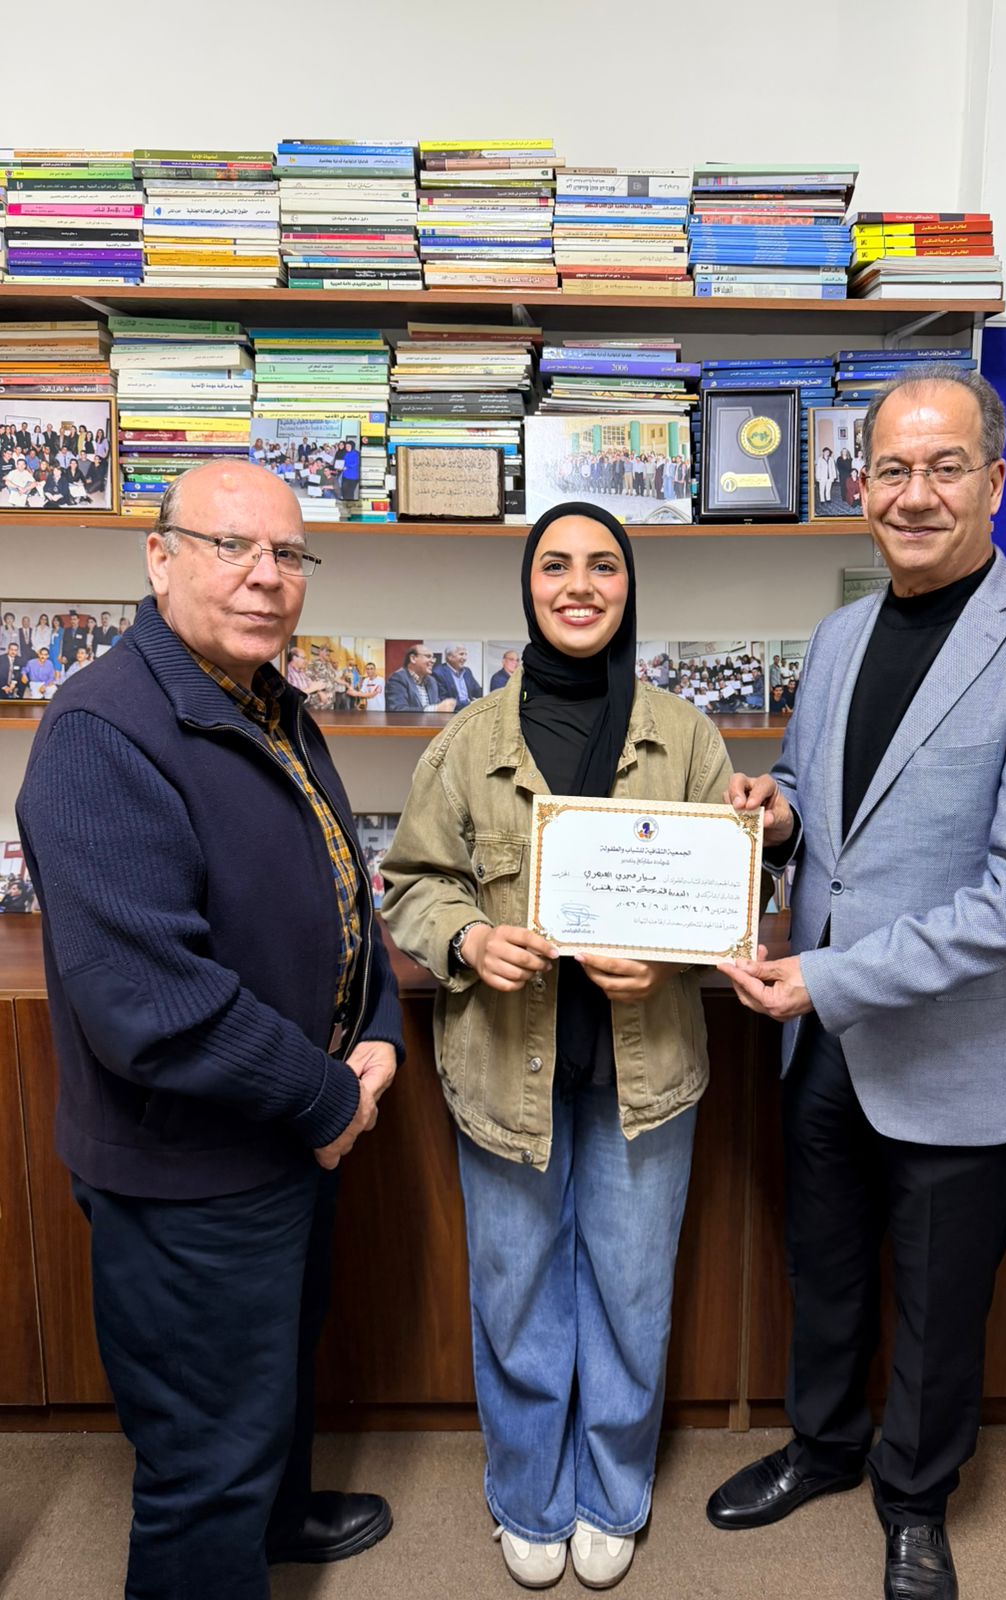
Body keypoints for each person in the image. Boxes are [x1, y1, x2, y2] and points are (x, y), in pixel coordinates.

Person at [706, 367, 1006, 1600]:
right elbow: (820, 800)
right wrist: (778, 811)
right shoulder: (841, 634)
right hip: (825, 1040)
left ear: (994, 482)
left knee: (942, 1306)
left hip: (954, 1048)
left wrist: (829, 976)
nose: (915, 493)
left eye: (945, 467)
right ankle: (824, 1446)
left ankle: (915, 1499)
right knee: (825, 1265)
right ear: (863, 486)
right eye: (891, 468)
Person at [16, 459, 403, 1600]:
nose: (265, 575)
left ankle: (274, 1523)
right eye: (231, 545)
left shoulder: (264, 699)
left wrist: (379, 1022)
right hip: (191, 1173)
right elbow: (151, 1003)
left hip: (286, 1137)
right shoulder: (101, 729)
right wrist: (331, 1097)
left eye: (287, 553)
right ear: (159, 557)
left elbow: (341, 885)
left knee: (270, 1383)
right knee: (204, 1461)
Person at [381, 502, 733, 1592]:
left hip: (643, 1073)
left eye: (603, 566)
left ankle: (613, 1491)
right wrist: (469, 938)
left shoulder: (687, 738)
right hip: (505, 1075)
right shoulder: (468, 740)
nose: (579, 585)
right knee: (517, 1292)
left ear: (629, 585)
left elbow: (727, 898)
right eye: (556, 565)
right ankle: (528, 1493)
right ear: (528, 586)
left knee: (631, 1294)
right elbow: (412, 883)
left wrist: (669, 962)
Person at [384, 644, 456, 712]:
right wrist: (434, 709)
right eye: (428, 656)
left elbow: (437, 706)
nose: (433, 661)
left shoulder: (432, 681)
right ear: (413, 658)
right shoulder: (398, 678)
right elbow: (397, 710)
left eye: (433, 658)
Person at [432, 643, 483, 710]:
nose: (465, 658)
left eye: (465, 654)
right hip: (453, 712)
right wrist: (469, 703)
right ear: (450, 657)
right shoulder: (438, 673)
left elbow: (477, 691)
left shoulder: (467, 671)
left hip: (470, 710)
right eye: (461, 654)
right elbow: (444, 700)